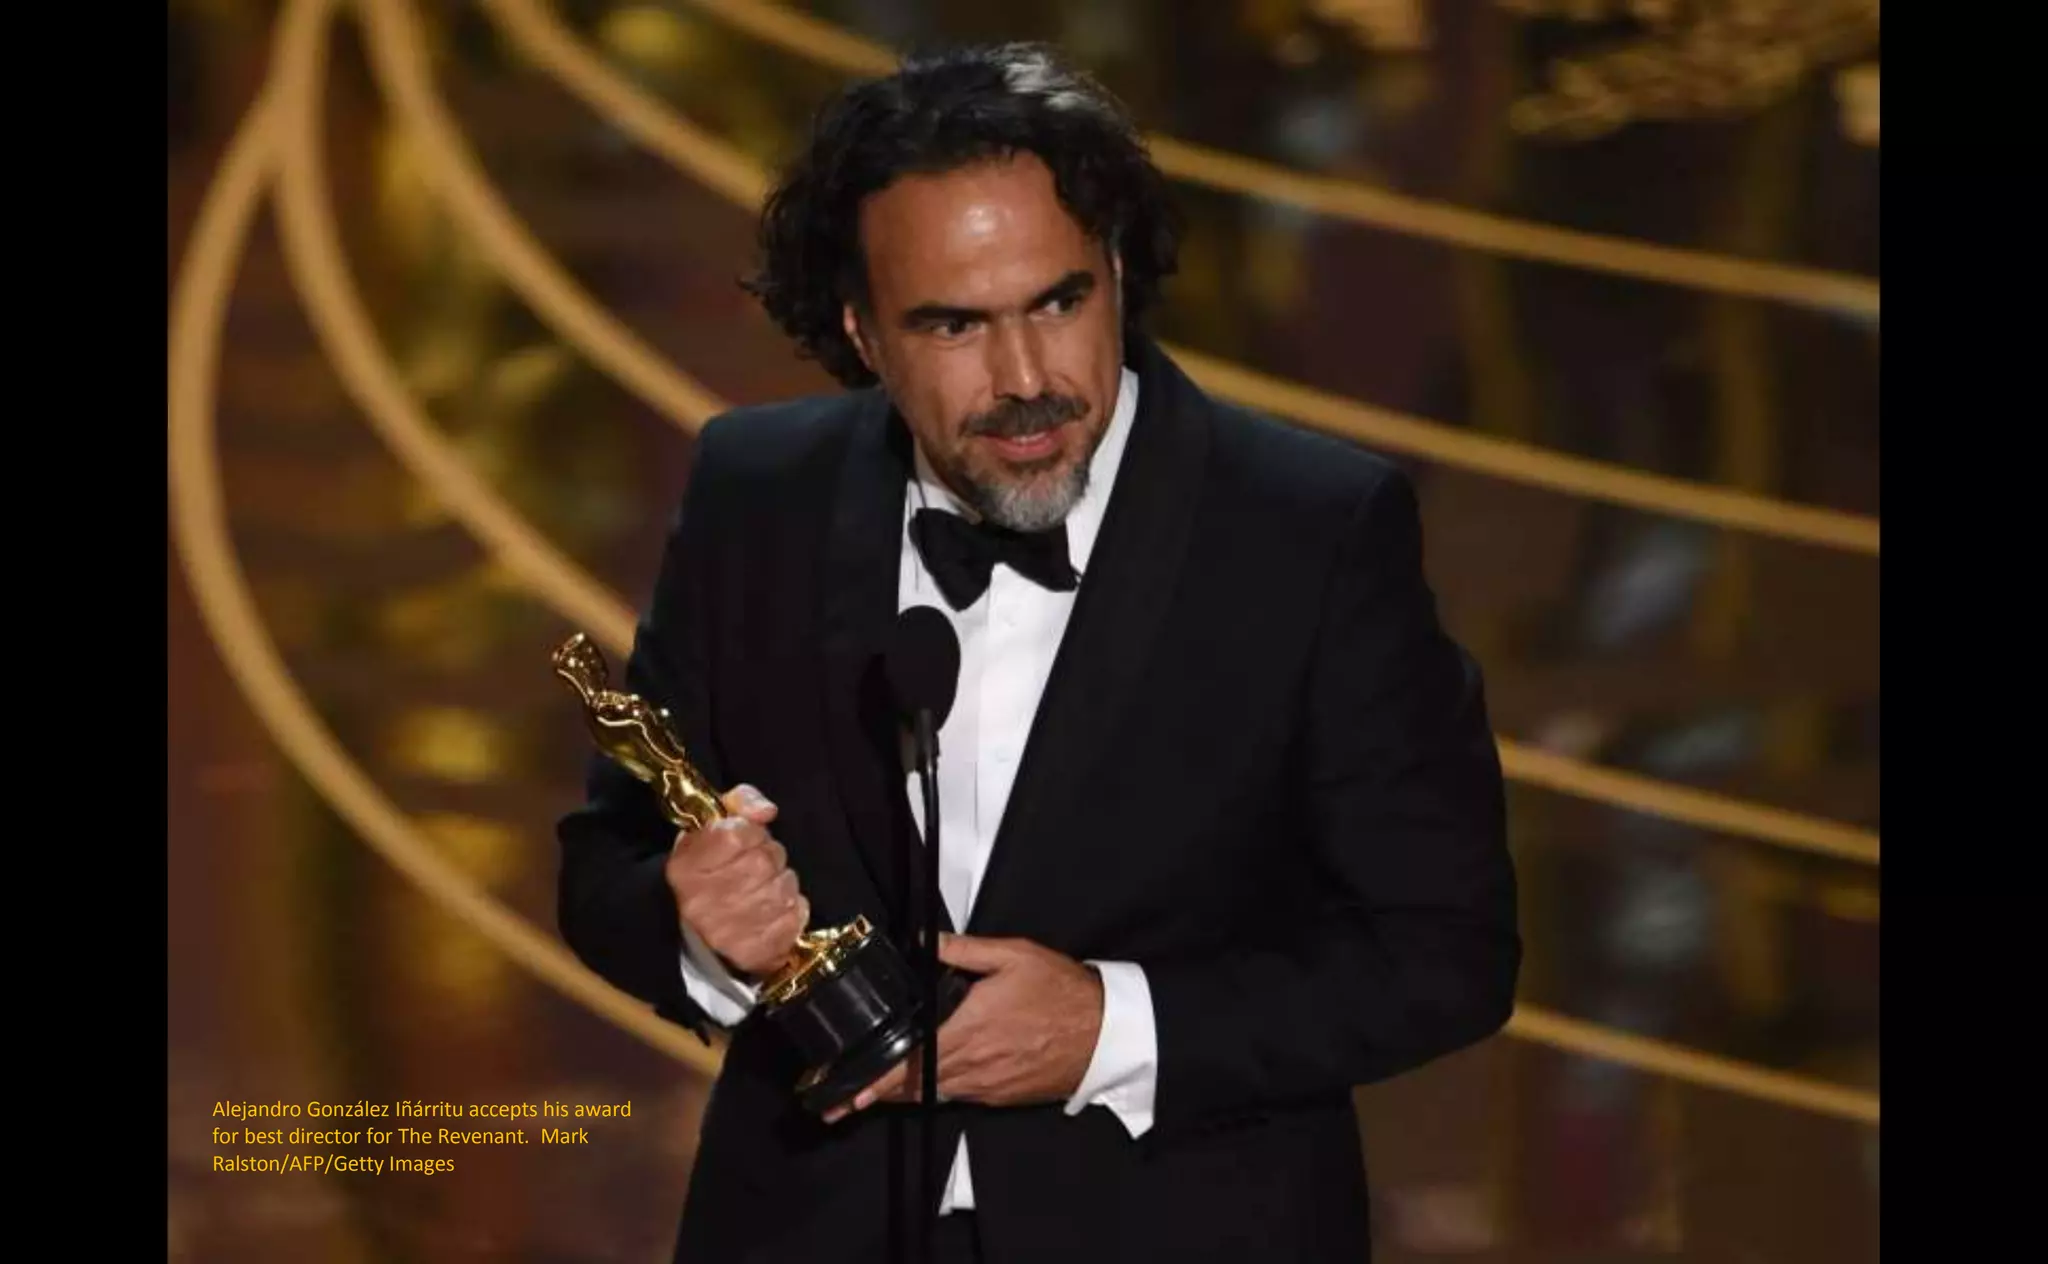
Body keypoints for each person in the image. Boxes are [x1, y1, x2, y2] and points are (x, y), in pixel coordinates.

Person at [556, 41, 1519, 1264]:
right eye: (953, 324)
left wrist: (1115, 1027)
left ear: (1116, 269)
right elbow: (610, 865)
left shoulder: (1310, 529)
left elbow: (1443, 951)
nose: (1025, 380)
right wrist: (697, 930)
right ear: (858, 330)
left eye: (1058, 302)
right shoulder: (760, 494)